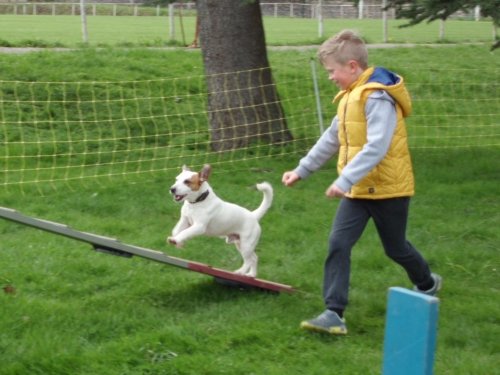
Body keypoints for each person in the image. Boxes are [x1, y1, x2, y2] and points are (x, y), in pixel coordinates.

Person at [282, 29, 442, 335]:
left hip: (388, 189)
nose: (330, 77)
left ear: (353, 67)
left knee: (395, 248)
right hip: (357, 191)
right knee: (338, 244)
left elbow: (377, 146)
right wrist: (302, 169)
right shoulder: (349, 97)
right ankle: (334, 312)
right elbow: (331, 139)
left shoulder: (377, 97)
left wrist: (345, 179)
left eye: (332, 71)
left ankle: (427, 282)